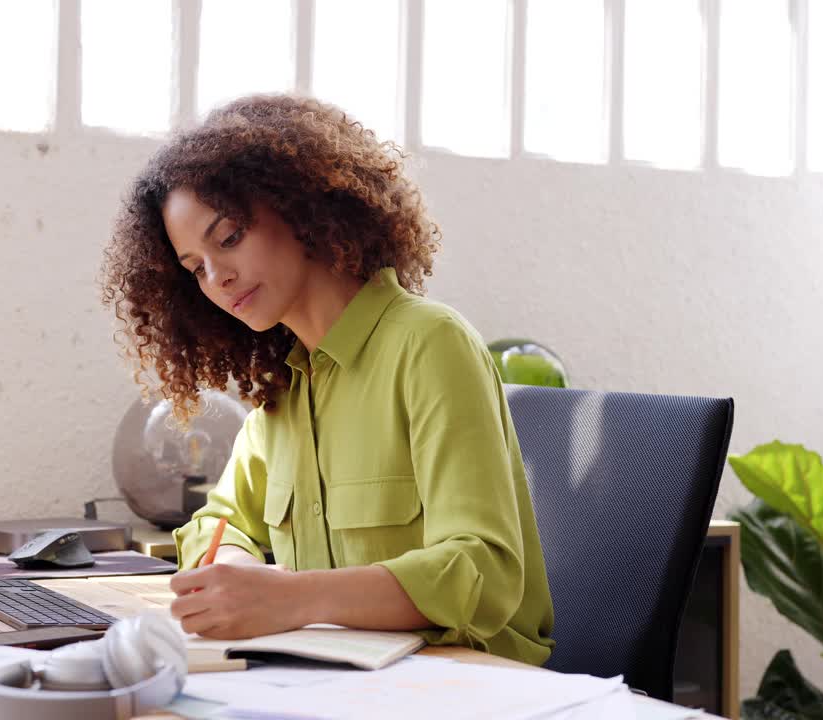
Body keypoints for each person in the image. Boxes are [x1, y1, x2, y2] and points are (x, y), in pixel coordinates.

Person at [100, 94, 554, 664]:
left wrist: (291, 599)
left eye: (230, 238)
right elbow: (217, 521)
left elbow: (481, 570)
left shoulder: (429, 343)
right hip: (333, 680)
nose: (217, 278)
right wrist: (237, 572)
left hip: (469, 684)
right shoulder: (283, 385)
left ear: (302, 209)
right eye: (195, 267)